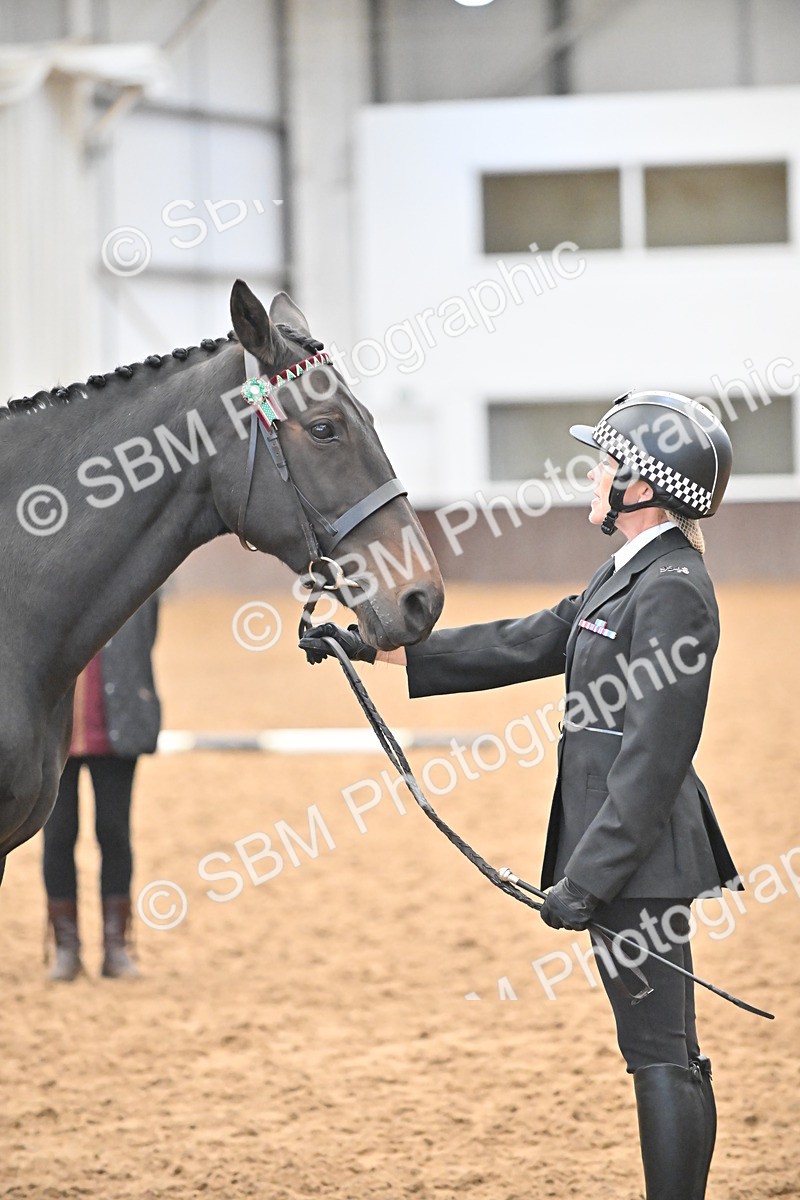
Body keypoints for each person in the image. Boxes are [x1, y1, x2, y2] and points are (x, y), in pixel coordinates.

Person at [299, 391, 739, 1200]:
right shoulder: (632, 572)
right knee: (661, 1052)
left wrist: (591, 878)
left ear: (643, 486)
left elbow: (655, 757)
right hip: (626, 856)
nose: (595, 474)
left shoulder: (674, 585)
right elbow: (529, 639)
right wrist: (371, 643)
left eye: (608, 462)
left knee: (661, 1057)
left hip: (639, 860)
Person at [43, 594, 161, 982]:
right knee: (59, 837)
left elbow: (147, 633)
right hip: (54, 735)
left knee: (114, 833)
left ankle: (116, 948)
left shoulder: (129, 577)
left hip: (117, 726)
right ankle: (66, 947)